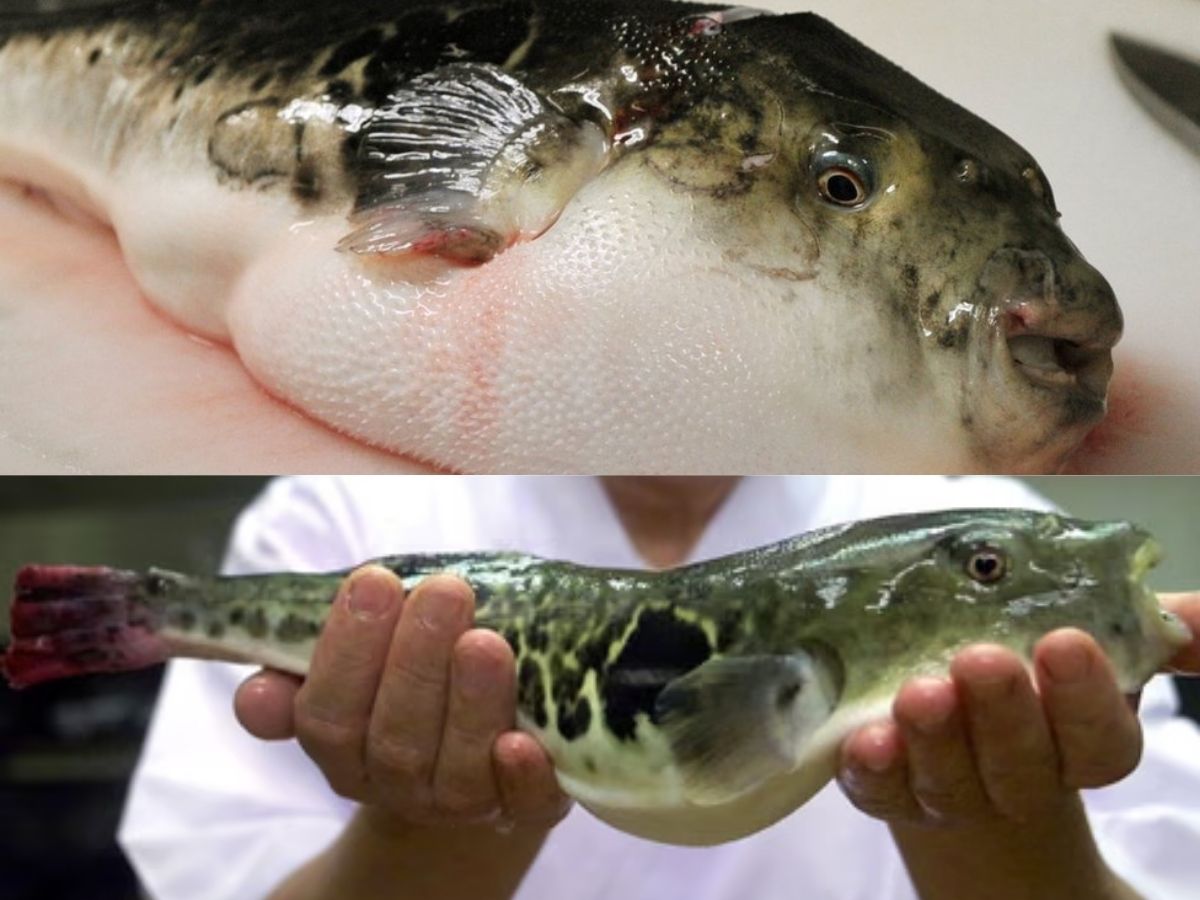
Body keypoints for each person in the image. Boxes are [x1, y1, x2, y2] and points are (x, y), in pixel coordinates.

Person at [117, 477, 1200, 899]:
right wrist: (429, 831)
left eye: (986, 572)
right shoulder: (338, 515)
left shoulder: (952, 496)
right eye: (986, 573)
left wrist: (1007, 833)